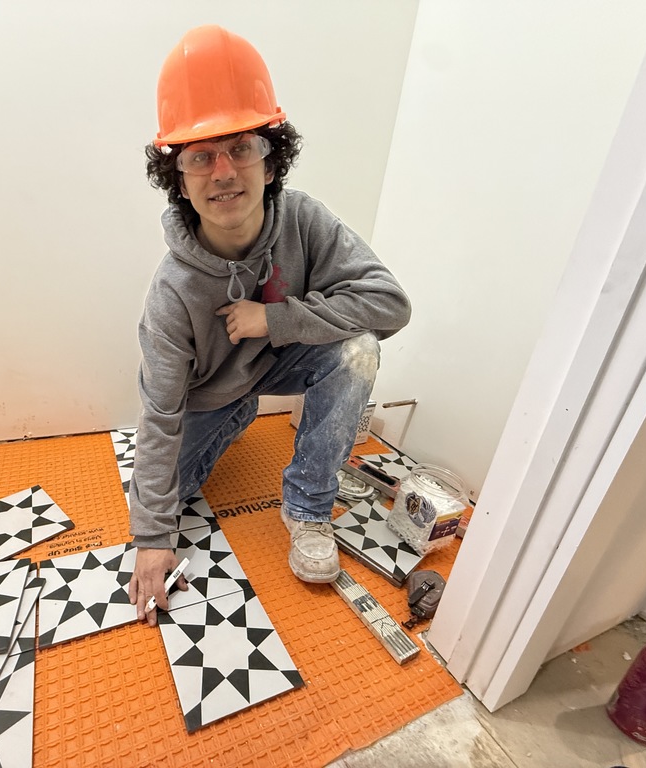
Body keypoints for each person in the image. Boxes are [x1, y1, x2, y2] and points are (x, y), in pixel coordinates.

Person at [127, 25, 410, 625]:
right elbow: (159, 411)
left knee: (356, 350)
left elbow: (390, 304)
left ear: (271, 160)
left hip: (285, 355)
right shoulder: (171, 292)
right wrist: (151, 538)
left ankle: (308, 508)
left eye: (242, 148)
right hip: (208, 393)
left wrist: (276, 318)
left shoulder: (304, 220)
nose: (223, 170)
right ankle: (236, 410)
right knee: (162, 499)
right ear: (179, 177)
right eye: (200, 155)